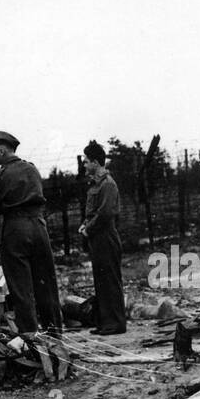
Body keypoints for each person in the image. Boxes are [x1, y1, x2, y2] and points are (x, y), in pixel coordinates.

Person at [0, 130, 63, 333]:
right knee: (46, 284)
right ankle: (55, 335)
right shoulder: (31, 169)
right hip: (39, 227)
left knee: (21, 289)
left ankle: (31, 340)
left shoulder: (1, 175)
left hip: (15, 229)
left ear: (2, 150)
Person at [79, 140, 126, 335]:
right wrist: (85, 225)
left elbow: (106, 214)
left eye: (86, 161)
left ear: (96, 163)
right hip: (97, 238)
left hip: (105, 237)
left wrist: (87, 229)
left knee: (110, 281)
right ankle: (106, 323)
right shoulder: (96, 184)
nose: (84, 164)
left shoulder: (108, 184)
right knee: (101, 280)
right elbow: (93, 212)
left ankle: (116, 323)